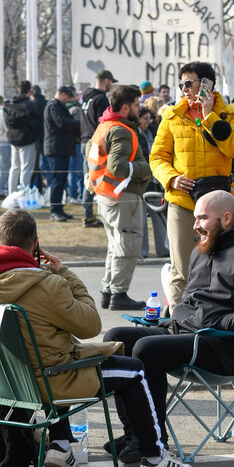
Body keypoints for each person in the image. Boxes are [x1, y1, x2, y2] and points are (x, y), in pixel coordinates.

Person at [0, 210, 194, 467]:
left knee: (50, 353)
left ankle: (60, 445)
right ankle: (155, 458)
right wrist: (64, 273)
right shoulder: (49, 285)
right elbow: (91, 325)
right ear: (36, 244)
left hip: (0, 383)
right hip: (48, 383)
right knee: (135, 371)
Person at [103, 192, 234, 461]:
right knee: (116, 338)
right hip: (192, 334)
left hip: (230, 346)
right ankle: (136, 435)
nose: (195, 224)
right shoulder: (203, 248)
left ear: (226, 219)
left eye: (202, 218)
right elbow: (189, 300)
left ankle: (153, 442)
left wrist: (217, 322)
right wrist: (175, 321)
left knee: (146, 349)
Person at [149, 62, 234, 306]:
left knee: (221, 266)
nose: (184, 89)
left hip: (218, 204)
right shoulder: (172, 116)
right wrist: (171, 178)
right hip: (182, 202)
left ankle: (215, 321)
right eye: (181, 84)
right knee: (181, 270)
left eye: (189, 83)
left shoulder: (230, 113)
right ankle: (177, 327)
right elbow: (157, 157)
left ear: (206, 85)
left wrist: (209, 116)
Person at [89, 84, 152, 310]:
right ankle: (119, 294)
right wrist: (146, 168)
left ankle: (109, 291)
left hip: (107, 196)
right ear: (125, 108)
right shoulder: (122, 130)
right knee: (128, 246)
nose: (140, 108)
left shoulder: (104, 126)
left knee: (115, 247)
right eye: (136, 105)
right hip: (123, 197)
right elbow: (118, 167)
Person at [79, 70, 116, 228]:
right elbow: (104, 123)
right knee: (94, 178)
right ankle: (89, 215)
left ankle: (88, 213)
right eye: (111, 82)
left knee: (89, 177)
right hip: (95, 142)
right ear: (106, 81)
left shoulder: (86, 98)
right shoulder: (101, 99)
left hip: (84, 141)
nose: (112, 85)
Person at [136, 106, 170, 259]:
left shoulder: (153, 131)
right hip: (142, 181)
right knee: (141, 219)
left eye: (149, 118)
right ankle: (142, 251)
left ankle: (162, 249)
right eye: (145, 119)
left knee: (159, 215)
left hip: (157, 180)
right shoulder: (135, 134)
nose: (148, 122)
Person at [43, 85, 82, 221]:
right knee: (57, 181)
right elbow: (62, 123)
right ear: (64, 95)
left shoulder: (57, 106)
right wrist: (79, 124)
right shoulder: (53, 106)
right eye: (69, 97)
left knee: (61, 181)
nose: (69, 100)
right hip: (56, 149)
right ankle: (54, 210)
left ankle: (59, 208)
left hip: (61, 148)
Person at [5, 80, 41, 194]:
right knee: (26, 169)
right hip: (27, 140)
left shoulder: (10, 105)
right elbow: (36, 123)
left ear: (19, 89)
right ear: (30, 91)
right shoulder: (30, 105)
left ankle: (11, 193)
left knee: (14, 168)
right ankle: (24, 193)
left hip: (13, 140)